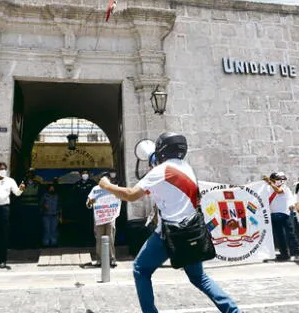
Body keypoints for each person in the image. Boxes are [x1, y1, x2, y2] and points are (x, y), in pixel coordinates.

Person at [99, 132, 240, 313]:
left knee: (140, 270)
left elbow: (131, 195)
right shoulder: (187, 168)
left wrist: (106, 185)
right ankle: (233, 310)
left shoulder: (161, 171)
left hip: (170, 234)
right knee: (199, 278)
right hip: (192, 230)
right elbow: (166, 190)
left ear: (162, 149)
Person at [263, 172, 299, 263]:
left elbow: (279, 191)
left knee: (290, 234)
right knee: (279, 236)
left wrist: (270, 183)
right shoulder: (268, 189)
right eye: (278, 179)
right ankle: (284, 254)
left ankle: (296, 254)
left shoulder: (284, 187)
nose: (281, 181)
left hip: (285, 214)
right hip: (274, 214)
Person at [87, 169, 120, 267]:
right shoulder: (95, 189)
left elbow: (120, 198)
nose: (106, 179)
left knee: (110, 238)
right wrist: (92, 201)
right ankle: (99, 260)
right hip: (99, 218)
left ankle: (112, 259)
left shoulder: (113, 188)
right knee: (99, 239)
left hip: (110, 217)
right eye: (103, 177)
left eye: (107, 177)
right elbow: (89, 202)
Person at [40, 183, 59, 247]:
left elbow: (59, 205)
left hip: (55, 215)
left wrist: (59, 213)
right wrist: (44, 206)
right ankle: (46, 243)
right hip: (46, 215)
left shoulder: (56, 196)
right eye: (50, 188)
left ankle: (54, 242)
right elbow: (40, 205)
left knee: (54, 229)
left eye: (53, 188)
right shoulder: (44, 196)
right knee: (47, 229)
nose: (52, 189)